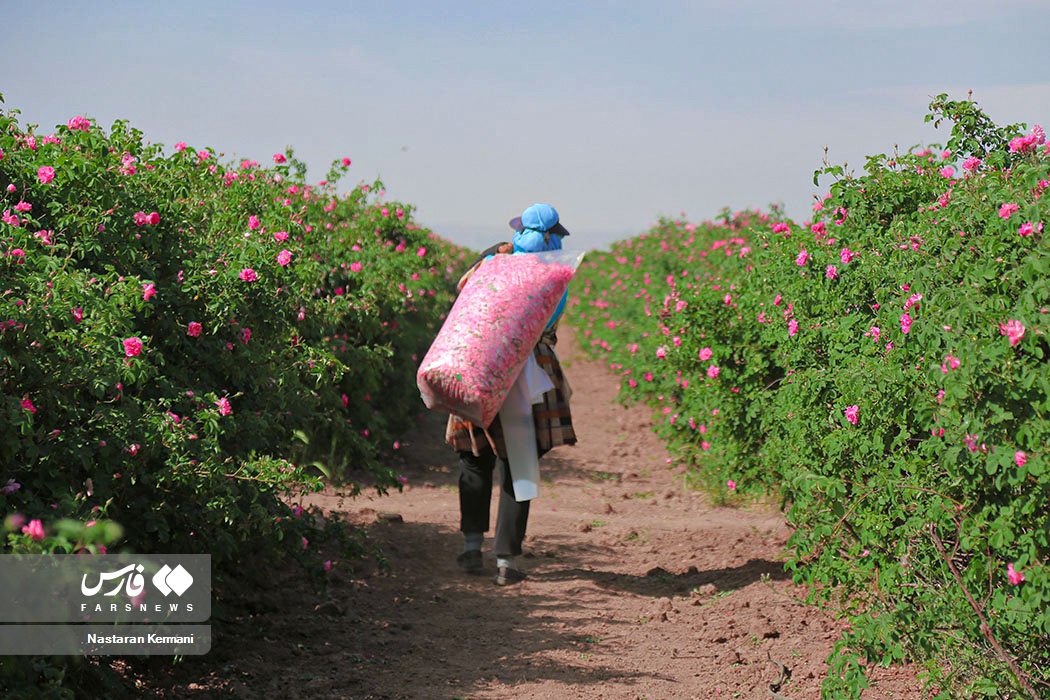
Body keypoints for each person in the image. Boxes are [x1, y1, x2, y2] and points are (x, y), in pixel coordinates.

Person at [445, 203, 577, 586]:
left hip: (478, 363)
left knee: (474, 456)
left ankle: (472, 547)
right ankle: (505, 561)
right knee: (520, 464)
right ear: (551, 238)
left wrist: (490, 253)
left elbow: (462, 295)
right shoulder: (554, 277)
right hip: (528, 371)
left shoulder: (487, 267)